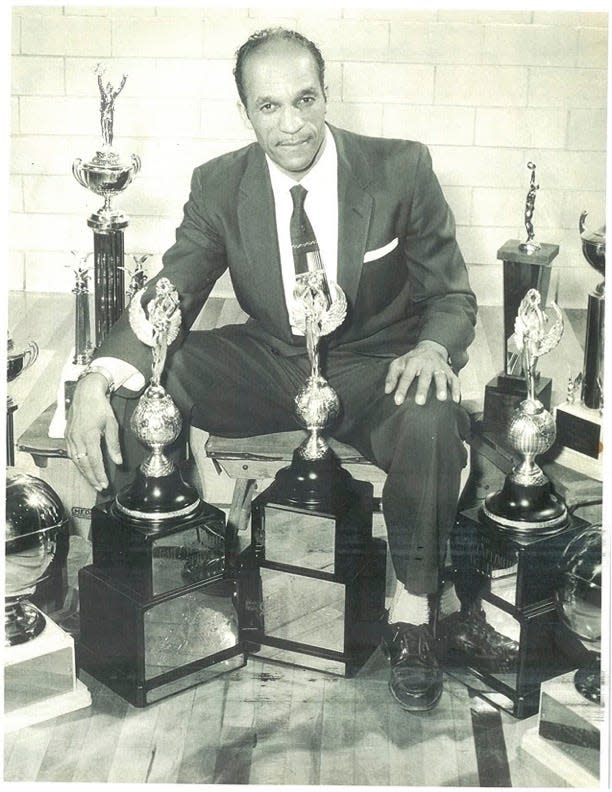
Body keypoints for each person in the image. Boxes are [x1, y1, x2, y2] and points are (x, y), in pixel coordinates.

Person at [67, 28, 509, 713]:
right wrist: (98, 379)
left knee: (433, 414)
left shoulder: (400, 168)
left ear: (327, 93)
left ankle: (413, 613)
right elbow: (171, 292)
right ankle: (153, 581)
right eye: (269, 107)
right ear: (245, 112)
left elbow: (450, 296)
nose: (292, 123)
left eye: (305, 99)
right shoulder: (219, 184)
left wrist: (431, 350)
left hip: (375, 368)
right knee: (153, 380)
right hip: (270, 360)